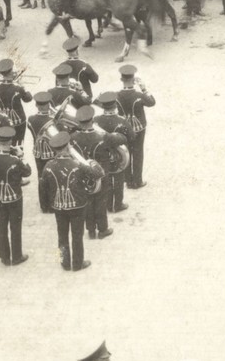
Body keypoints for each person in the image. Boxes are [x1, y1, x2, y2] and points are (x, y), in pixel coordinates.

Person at [39, 131, 96, 271]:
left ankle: (64, 262)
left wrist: (46, 206)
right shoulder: (77, 164)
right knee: (77, 235)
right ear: (67, 146)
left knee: (61, 235)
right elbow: (97, 174)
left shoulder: (48, 165)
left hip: (58, 206)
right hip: (78, 205)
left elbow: (43, 188)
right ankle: (78, 263)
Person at [72, 105, 120, 240]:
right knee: (101, 201)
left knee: (87, 201)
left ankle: (91, 230)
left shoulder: (73, 137)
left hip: (83, 174)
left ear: (79, 122)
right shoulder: (103, 136)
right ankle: (103, 229)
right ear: (92, 120)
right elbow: (121, 140)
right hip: (101, 175)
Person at [0, 125, 31, 266]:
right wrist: (21, 156)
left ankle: (4, 257)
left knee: (1, 226)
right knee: (15, 226)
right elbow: (27, 172)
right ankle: (17, 256)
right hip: (14, 197)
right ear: (11, 142)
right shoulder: (15, 160)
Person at [114, 65, 154, 190]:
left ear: (121, 80)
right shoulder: (138, 95)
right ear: (134, 80)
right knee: (138, 152)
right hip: (139, 127)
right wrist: (143, 87)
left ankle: (128, 180)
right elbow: (152, 102)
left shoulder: (117, 95)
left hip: (124, 128)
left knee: (126, 152)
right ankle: (138, 180)